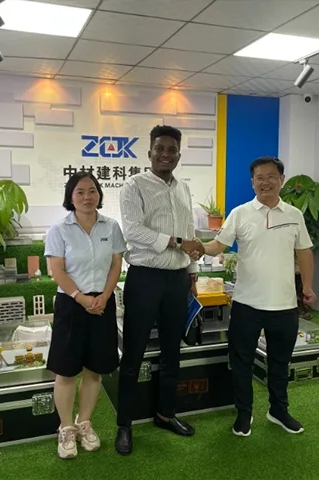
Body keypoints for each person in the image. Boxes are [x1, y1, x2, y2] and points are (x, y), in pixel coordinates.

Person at [203, 156, 316, 437]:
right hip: (247, 304)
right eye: (259, 177)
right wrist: (197, 247)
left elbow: (304, 252)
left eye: (271, 176)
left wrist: (308, 287)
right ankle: (244, 413)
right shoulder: (240, 213)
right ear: (252, 182)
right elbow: (218, 245)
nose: (265, 182)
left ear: (282, 180)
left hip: (284, 304)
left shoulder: (294, 215)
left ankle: (278, 410)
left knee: (280, 363)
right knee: (241, 363)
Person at [115, 125, 205, 455]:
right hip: (145, 279)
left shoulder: (183, 188)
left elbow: (190, 231)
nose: (165, 154)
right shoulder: (134, 185)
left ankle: (166, 414)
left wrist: (192, 275)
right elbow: (133, 231)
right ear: (150, 152)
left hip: (178, 280)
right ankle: (124, 424)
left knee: (172, 351)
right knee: (133, 353)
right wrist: (178, 243)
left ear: (179, 155)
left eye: (172, 150)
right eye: (160, 149)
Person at [44, 171, 126, 459]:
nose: (87, 197)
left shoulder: (111, 226)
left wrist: (104, 296)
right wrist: (81, 297)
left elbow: (116, 265)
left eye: (92, 191)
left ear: (99, 194)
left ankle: (85, 422)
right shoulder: (59, 230)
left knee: (95, 369)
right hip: (71, 305)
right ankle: (66, 428)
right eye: (80, 192)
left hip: (102, 304)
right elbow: (57, 270)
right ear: (70, 196)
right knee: (66, 371)